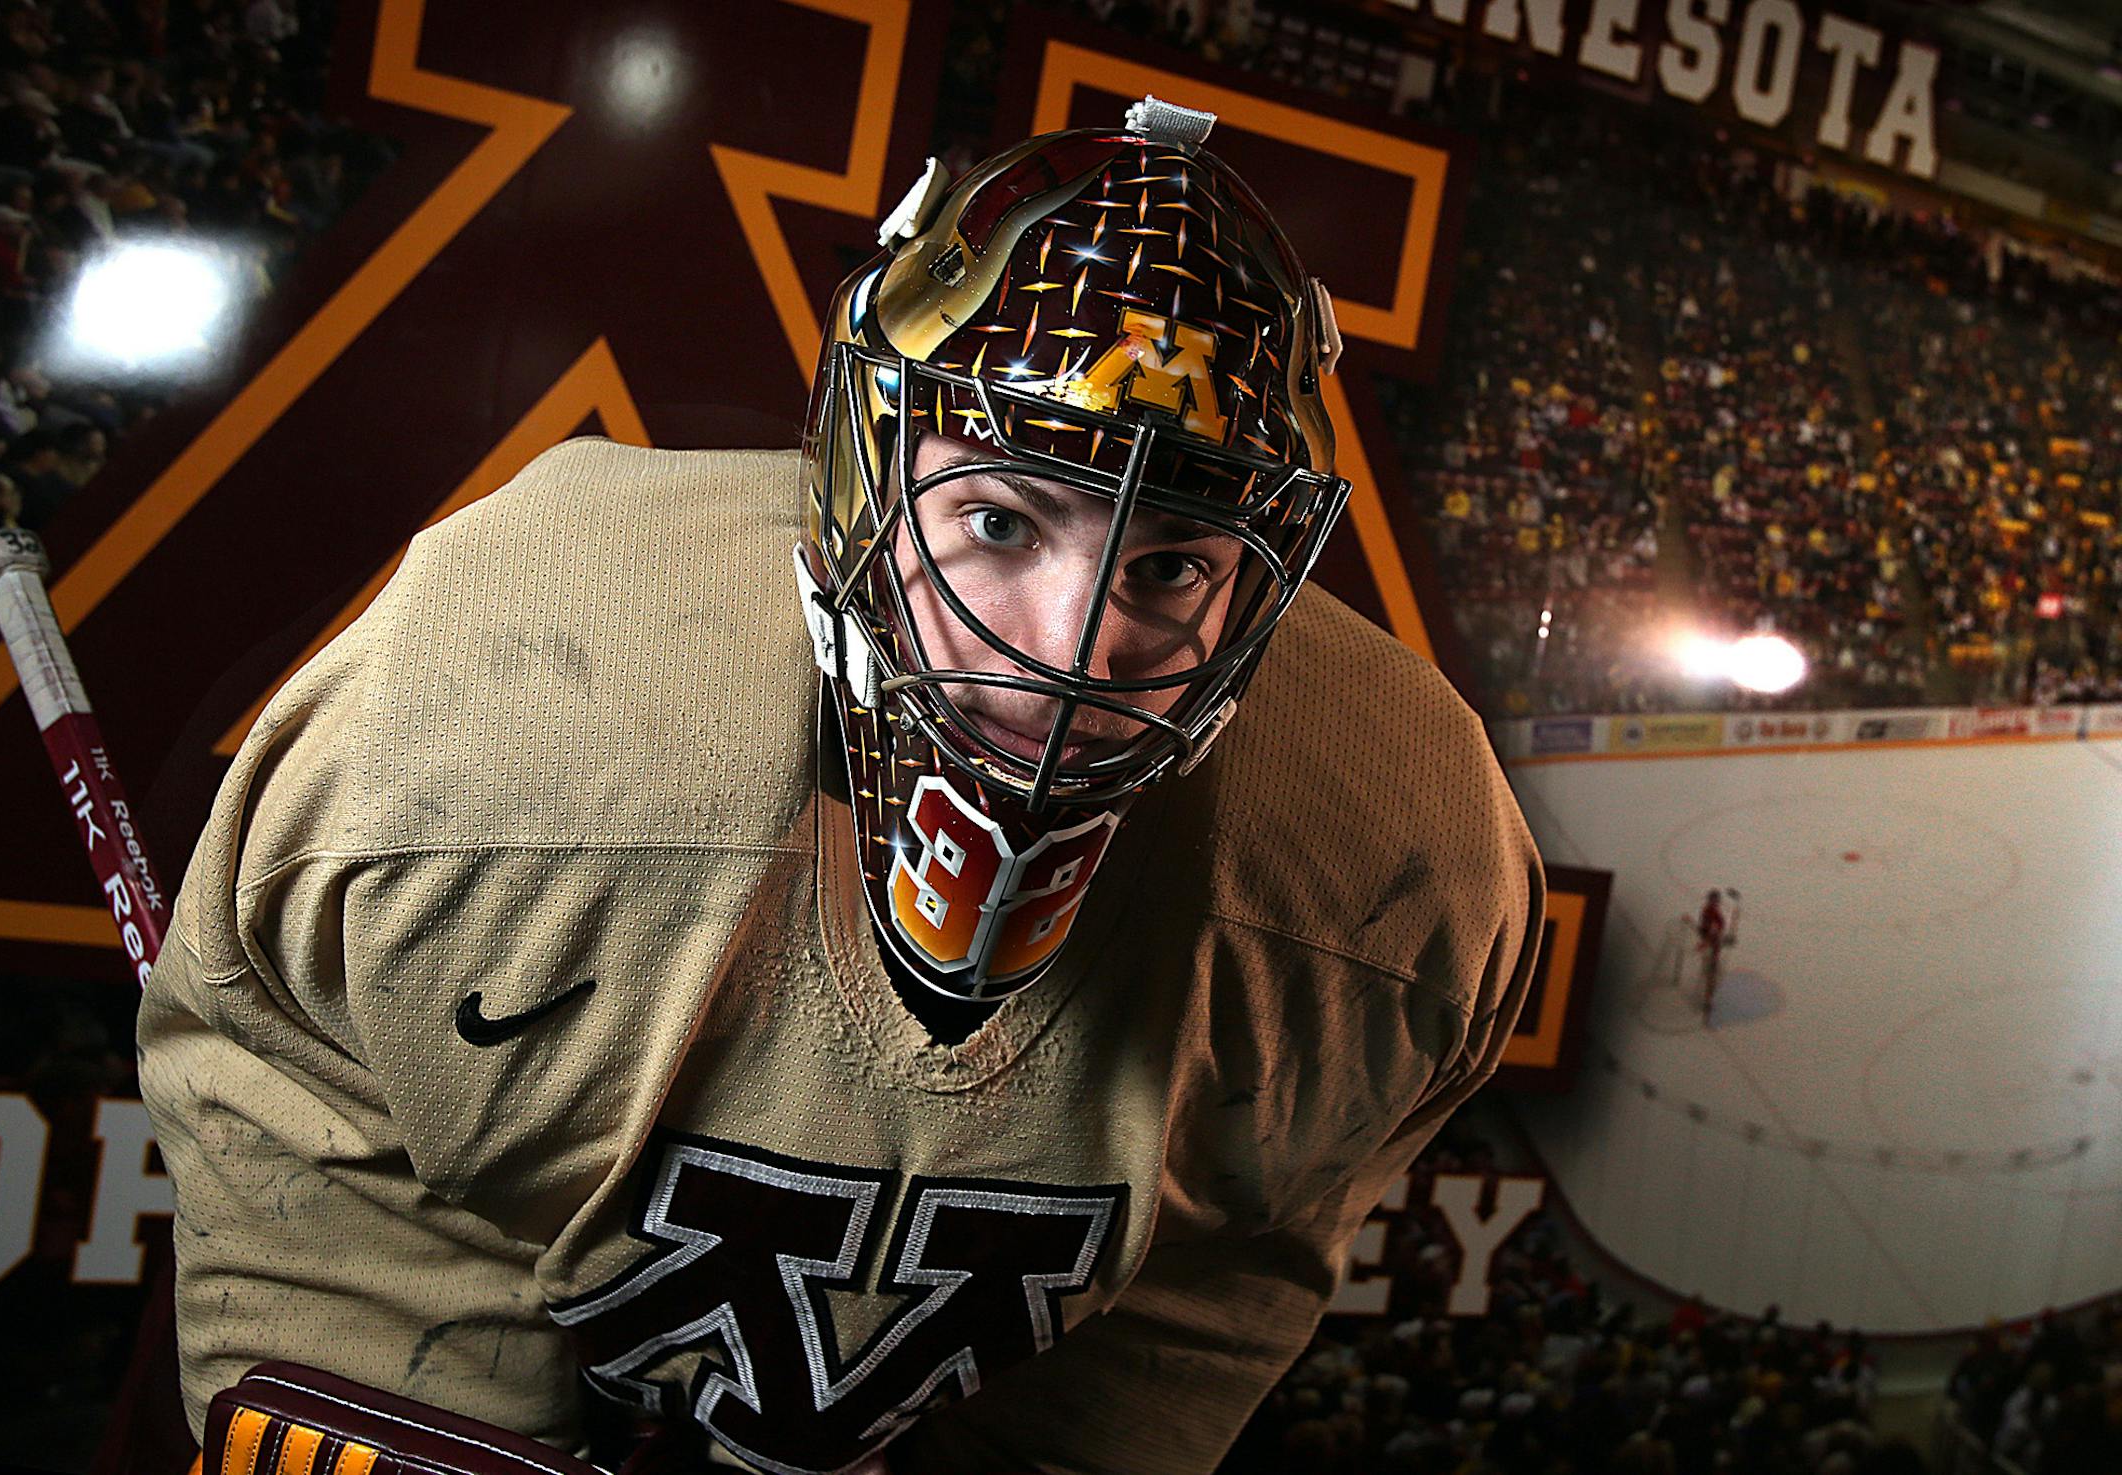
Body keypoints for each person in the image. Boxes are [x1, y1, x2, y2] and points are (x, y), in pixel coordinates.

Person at [137, 99, 1544, 1475]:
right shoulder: (502, 710)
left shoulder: (1397, 869)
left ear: (1262, 578)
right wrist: (419, 1387)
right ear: (864, 474)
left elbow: (1223, 1269)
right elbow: (289, 1048)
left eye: (1171, 562)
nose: (1073, 650)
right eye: (1001, 518)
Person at [1696, 888, 1727, 1024]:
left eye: (1715, 901)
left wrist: (1709, 940)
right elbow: (1705, 929)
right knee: (1709, 973)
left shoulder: (1713, 914)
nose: (1714, 903)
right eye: (1713, 901)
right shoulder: (1707, 912)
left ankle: (1708, 1001)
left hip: (1712, 948)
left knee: (1711, 974)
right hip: (1709, 947)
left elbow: (1718, 928)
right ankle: (1707, 1000)